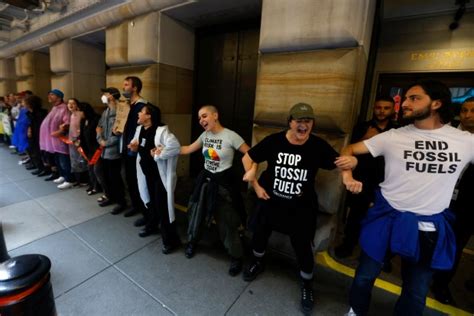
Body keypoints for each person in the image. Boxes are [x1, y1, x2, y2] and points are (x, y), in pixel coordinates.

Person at [338, 80, 474, 316]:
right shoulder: (392, 136)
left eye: (414, 98)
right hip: (386, 217)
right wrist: (348, 173)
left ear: (436, 103)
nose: (405, 103)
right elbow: (349, 149)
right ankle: (356, 311)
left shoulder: (466, 141)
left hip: (428, 224)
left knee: (416, 289)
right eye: (406, 98)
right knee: (364, 276)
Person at [241, 102, 350, 314]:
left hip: (301, 206)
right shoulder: (274, 141)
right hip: (270, 201)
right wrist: (255, 185)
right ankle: (257, 262)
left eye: (307, 121)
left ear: (312, 124)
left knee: (302, 247)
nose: (303, 125)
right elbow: (248, 157)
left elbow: (340, 162)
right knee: (259, 235)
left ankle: (307, 284)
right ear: (290, 122)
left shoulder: (317, 146)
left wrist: (350, 172)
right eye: (299, 121)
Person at [180, 105, 249, 276]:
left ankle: (236, 256)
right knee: (196, 212)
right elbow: (188, 148)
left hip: (223, 183)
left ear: (215, 115)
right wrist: (167, 149)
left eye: (204, 116)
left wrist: (251, 172)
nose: (201, 120)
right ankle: (192, 242)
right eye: (199, 118)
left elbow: (250, 153)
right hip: (205, 181)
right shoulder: (205, 135)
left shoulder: (230, 136)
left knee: (227, 220)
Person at [335, 96, 396, 259]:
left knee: (385, 219)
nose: (382, 111)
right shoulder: (362, 127)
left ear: (393, 110)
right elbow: (349, 149)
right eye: (378, 107)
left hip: (387, 180)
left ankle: (382, 255)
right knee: (355, 215)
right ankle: (348, 245)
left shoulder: (398, 130)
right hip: (362, 178)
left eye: (386, 108)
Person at [431, 97, 474, 305]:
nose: (468, 115)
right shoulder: (446, 135)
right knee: (426, 238)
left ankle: (440, 284)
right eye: (464, 110)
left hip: (467, 206)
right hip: (437, 198)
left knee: (454, 247)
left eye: (473, 111)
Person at [129, 104, 181, 251]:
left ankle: (171, 240)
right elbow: (139, 146)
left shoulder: (161, 131)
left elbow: (175, 147)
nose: (138, 114)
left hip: (160, 176)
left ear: (149, 116)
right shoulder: (140, 129)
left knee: (163, 207)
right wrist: (135, 147)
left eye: (141, 112)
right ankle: (152, 225)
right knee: (151, 202)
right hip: (147, 174)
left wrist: (159, 154)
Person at [120, 76, 147, 221]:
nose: (123, 87)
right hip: (126, 147)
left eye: (126, 85)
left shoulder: (142, 106)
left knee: (138, 181)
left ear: (134, 87)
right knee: (129, 179)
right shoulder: (127, 105)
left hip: (135, 149)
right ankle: (135, 205)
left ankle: (144, 210)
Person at [96, 87, 127, 214]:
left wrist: (106, 143)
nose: (103, 96)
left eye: (106, 94)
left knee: (115, 178)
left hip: (114, 152)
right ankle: (111, 196)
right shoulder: (105, 111)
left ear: (112, 96)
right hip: (104, 151)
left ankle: (121, 202)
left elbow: (120, 133)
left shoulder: (121, 112)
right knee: (106, 176)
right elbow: (99, 128)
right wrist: (100, 140)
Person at [78, 102, 103, 196]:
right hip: (87, 149)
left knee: (97, 169)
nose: (78, 114)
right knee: (90, 168)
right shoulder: (83, 120)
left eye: (80, 111)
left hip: (96, 149)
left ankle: (99, 187)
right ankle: (93, 185)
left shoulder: (96, 119)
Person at [66, 98, 89, 186]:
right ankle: (78, 179)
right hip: (72, 142)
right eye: (69, 103)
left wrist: (79, 139)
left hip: (79, 141)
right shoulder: (71, 115)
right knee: (74, 160)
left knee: (81, 160)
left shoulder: (80, 114)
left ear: (77, 105)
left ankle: (84, 180)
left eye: (73, 103)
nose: (70, 105)